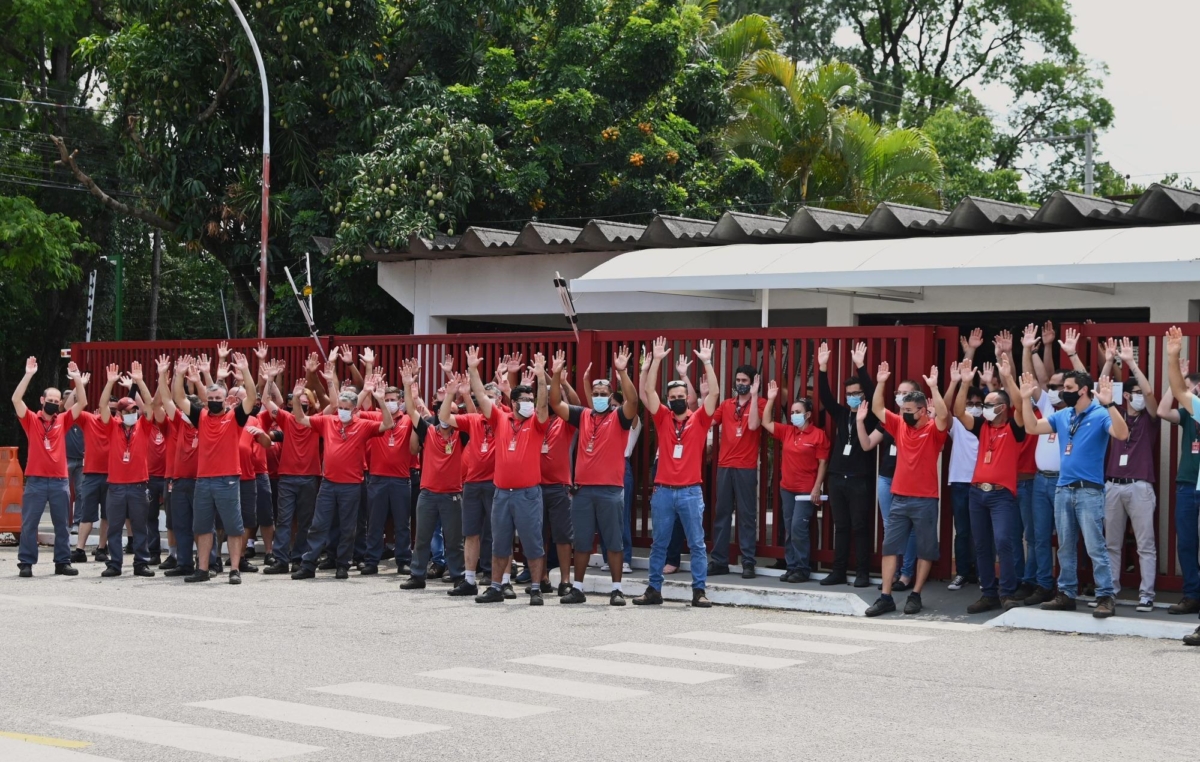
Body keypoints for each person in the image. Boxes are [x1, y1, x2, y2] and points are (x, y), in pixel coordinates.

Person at [1019, 367, 1128, 618]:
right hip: (1063, 488)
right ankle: (1066, 593)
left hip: (1089, 490)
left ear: (1083, 390)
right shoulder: (1063, 414)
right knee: (1066, 546)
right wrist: (1026, 398)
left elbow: (1122, 434)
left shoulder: (1101, 413)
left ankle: (1105, 596)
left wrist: (1110, 402)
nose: (1062, 393)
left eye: (1067, 389)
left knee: (1094, 546)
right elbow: (1032, 427)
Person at [458, 347, 551, 605]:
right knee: (500, 544)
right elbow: (480, 396)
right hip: (502, 493)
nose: (530, 404)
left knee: (532, 543)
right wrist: (473, 369)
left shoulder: (537, 423)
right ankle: (497, 587)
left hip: (528, 494)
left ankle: (535, 588)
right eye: (525, 400)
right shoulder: (500, 419)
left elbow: (544, 405)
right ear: (513, 403)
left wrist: (541, 377)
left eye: (531, 400)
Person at [634, 336, 719, 608]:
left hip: (691, 491)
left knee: (696, 544)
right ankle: (654, 589)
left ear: (688, 398)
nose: (678, 401)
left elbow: (714, 394)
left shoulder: (699, 419)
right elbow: (648, 392)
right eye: (673, 398)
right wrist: (657, 361)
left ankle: (699, 591)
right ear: (668, 400)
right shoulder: (661, 417)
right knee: (659, 544)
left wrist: (707, 362)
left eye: (681, 397)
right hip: (663, 492)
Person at [549, 346, 639, 605]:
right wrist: (556, 376)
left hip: (610, 490)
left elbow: (633, 402)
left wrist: (622, 373)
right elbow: (556, 403)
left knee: (613, 541)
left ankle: (617, 589)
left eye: (603, 394)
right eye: (596, 394)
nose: (599, 397)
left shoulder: (619, 417)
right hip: (583, 491)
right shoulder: (583, 415)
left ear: (611, 397)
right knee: (583, 541)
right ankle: (577, 588)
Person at [865, 362, 953, 616]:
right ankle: (886, 596)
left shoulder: (934, 430)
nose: (904, 414)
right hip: (899, 497)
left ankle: (916, 594)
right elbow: (877, 408)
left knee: (925, 549)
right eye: (902, 409)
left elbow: (944, 416)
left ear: (924, 411)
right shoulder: (899, 425)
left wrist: (935, 388)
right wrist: (881, 382)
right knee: (890, 547)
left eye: (909, 410)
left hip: (925, 499)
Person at [291, 369, 393, 580]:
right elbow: (300, 419)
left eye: (347, 409)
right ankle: (308, 564)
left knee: (348, 528)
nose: (343, 412)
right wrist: (295, 396)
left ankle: (343, 565)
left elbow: (388, 424)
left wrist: (381, 401)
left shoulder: (363, 425)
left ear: (355, 410)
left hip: (351, 485)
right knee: (319, 525)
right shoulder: (328, 421)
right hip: (328, 484)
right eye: (341, 408)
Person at [173, 351, 258, 584]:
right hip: (203, 481)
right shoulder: (200, 416)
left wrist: (247, 370)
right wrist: (178, 375)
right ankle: (202, 570)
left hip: (228, 480)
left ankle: (234, 570)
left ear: (226, 401)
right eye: (212, 399)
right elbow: (178, 397)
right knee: (202, 528)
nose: (215, 402)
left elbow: (251, 396)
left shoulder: (235, 418)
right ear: (206, 400)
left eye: (219, 399)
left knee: (233, 527)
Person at [954, 356, 1026, 613]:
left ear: (1003, 408)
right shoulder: (982, 425)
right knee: (982, 545)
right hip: (976, 493)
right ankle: (988, 594)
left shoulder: (1016, 426)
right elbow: (959, 411)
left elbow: (1019, 403)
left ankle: (1007, 592)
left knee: (1004, 542)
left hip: (1001, 495)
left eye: (989, 404)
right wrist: (964, 383)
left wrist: (1007, 377)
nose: (983, 408)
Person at [12, 356, 86, 577]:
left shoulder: (63, 420)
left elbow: (81, 403)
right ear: (42, 400)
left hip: (59, 481)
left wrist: (77, 379)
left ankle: (62, 562)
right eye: (50, 399)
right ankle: (26, 562)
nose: (54, 402)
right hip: (35, 480)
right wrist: (28, 374)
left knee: (62, 524)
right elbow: (16, 399)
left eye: (57, 400)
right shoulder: (31, 420)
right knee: (29, 523)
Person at [1101, 337, 1159, 613]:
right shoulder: (1114, 414)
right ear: (1125, 396)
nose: (1138, 394)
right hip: (1112, 485)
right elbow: (1098, 391)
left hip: (1140, 486)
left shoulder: (1149, 417)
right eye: (1132, 391)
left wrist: (1132, 363)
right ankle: (1110, 591)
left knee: (1145, 544)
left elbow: (1149, 394)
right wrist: (1108, 362)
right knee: (1111, 543)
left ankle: (1146, 594)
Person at [402, 365, 469, 592]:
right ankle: (417, 575)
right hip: (428, 494)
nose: (444, 417)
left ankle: (459, 575)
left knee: (454, 540)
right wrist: (407, 383)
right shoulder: (429, 431)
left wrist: (457, 392)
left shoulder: (462, 435)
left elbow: (476, 415)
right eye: (442, 412)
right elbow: (412, 411)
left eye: (449, 413)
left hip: (452, 494)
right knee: (421, 538)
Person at [816, 341, 876, 587]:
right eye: (850, 394)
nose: (853, 398)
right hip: (837, 476)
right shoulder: (841, 413)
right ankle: (838, 571)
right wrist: (822, 368)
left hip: (860, 478)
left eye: (857, 394)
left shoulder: (871, 414)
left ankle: (862, 572)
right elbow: (825, 397)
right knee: (841, 526)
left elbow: (873, 393)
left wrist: (861, 366)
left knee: (860, 526)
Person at [96, 362, 161, 578]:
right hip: (115, 486)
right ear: (121, 413)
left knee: (140, 526)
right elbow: (103, 404)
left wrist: (140, 381)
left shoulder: (143, 426)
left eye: (134, 410)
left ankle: (140, 563)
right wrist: (110, 382)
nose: (133, 413)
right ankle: (115, 564)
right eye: (128, 410)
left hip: (138, 485)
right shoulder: (111, 426)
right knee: (114, 527)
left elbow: (150, 406)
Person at [858, 376, 922, 591]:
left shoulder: (921, 422)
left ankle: (906, 574)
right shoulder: (889, 420)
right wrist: (859, 421)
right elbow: (867, 444)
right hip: (886, 478)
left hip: (910, 481)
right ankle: (892, 574)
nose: (900, 396)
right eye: (898, 393)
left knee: (911, 528)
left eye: (905, 393)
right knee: (890, 526)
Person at [763, 380, 829, 583]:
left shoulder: (818, 435)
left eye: (797, 412)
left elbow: (823, 464)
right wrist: (771, 399)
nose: (793, 415)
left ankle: (802, 567)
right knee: (789, 528)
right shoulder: (788, 431)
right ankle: (792, 566)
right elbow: (766, 422)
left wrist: (817, 487)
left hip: (805, 490)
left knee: (799, 529)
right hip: (787, 488)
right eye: (791, 412)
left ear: (808, 414)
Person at [709, 364, 767, 578]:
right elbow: (709, 420)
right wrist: (705, 395)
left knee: (747, 516)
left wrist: (753, 397)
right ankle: (720, 561)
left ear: (752, 383)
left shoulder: (760, 403)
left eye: (744, 381)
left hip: (746, 467)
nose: (740, 384)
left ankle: (748, 562)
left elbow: (753, 426)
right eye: (738, 380)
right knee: (722, 514)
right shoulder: (726, 404)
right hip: (725, 465)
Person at [263, 374, 322, 575]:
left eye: (305, 403)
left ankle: (299, 558)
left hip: (309, 478)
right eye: (298, 401)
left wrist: (329, 381)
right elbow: (265, 401)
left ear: (311, 405)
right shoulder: (287, 419)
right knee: (284, 520)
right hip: (287, 477)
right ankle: (281, 559)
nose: (302, 405)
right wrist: (270, 380)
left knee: (306, 521)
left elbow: (333, 406)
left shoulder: (316, 421)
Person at [1163, 328, 1200, 645]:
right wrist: (1173, 355)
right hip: (1192, 486)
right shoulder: (1197, 410)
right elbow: (1177, 388)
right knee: (1188, 544)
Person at [361, 382, 415, 576]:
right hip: (377, 478)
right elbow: (353, 412)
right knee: (375, 523)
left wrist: (411, 390)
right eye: (387, 400)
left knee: (402, 523)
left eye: (393, 400)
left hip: (401, 479)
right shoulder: (376, 417)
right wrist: (369, 391)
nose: (390, 403)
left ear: (400, 402)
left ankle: (403, 561)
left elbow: (421, 416)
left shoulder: (408, 419)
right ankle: (371, 561)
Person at [539, 359, 580, 596]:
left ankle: (565, 580)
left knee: (563, 536)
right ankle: (542, 577)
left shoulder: (565, 424)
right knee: (539, 536)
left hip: (559, 487)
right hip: (535, 487)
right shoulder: (535, 422)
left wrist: (562, 380)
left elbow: (575, 404)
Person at [70, 380, 117, 564]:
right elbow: (68, 408)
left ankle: (101, 549)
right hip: (90, 474)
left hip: (111, 476)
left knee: (107, 515)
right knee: (86, 514)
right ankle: (80, 549)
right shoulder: (88, 419)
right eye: (108, 408)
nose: (110, 412)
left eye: (114, 410)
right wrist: (78, 384)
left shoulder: (118, 424)